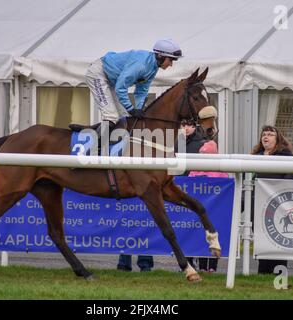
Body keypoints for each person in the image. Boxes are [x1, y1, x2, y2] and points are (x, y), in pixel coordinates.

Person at [86, 39, 183, 146]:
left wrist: (139, 108)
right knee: (111, 116)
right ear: (160, 56)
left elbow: (142, 90)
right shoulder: (140, 66)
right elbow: (120, 88)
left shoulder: (153, 67)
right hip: (98, 74)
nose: (171, 64)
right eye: (171, 60)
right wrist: (132, 109)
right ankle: (95, 148)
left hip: (111, 79)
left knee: (124, 116)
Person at [251, 125, 293, 274]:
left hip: (278, 206)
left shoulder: (286, 156)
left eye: (270, 134)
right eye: (264, 134)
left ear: (278, 138)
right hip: (258, 205)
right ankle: (263, 273)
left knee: (277, 240)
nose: (266, 137)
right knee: (261, 240)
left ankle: (279, 273)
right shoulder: (254, 157)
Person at [188, 139, 228, 272]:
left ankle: (212, 267)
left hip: (214, 211)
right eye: (202, 155)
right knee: (198, 236)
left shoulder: (221, 171)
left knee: (213, 236)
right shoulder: (194, 170)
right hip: (198, 211)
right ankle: (201, 265)